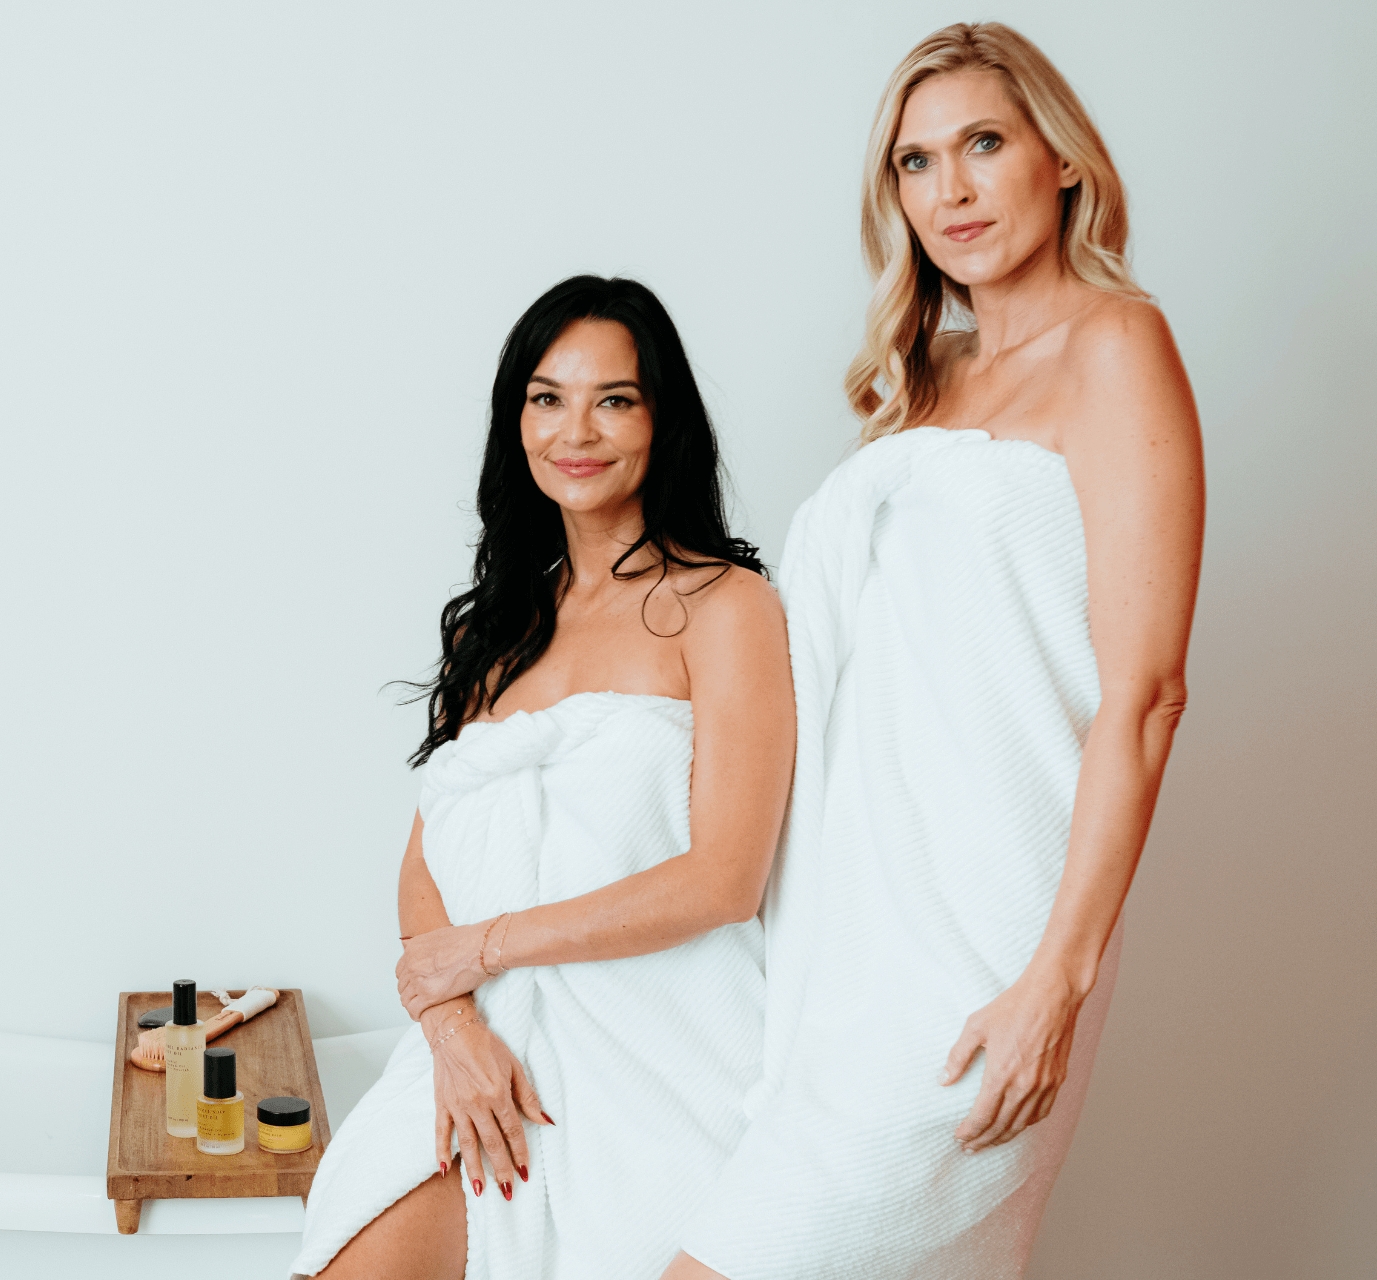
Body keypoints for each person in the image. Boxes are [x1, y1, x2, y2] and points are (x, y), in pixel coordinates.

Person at [669, 23, 1204, 1280]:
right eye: (914, 164)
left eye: (981, 145)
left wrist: (1051, 984)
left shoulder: (1117, 346)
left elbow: (1146, 696)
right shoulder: (923, 380)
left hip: (985, 945)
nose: (948, 191)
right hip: (844, 941)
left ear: (1059, 160)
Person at [291, 275, 794, 1279]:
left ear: (663, 418)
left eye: (615, 397)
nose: (577, 429)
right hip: (483, 1056)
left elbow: (724, 876)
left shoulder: (725, 606)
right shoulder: (493, 627)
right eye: (546, 395)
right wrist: (449, 1029)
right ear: (513, 417)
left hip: (658, 1063)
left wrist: (480, 949)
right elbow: (426, 858)